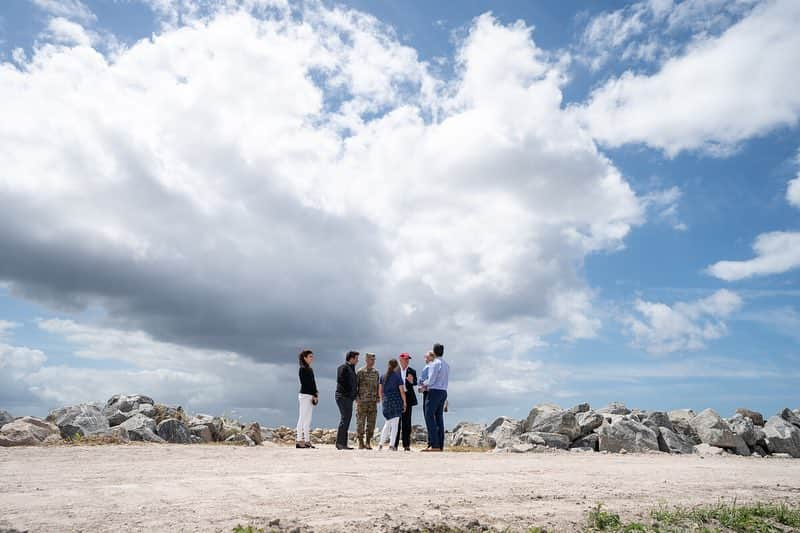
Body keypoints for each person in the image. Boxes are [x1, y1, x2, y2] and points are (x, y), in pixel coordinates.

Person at [421, 343, 449, 452]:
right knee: (439, 417)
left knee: (429, 416)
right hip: (443, 391)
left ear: (434, 351)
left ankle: (434, 444)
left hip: (434, 391)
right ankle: (440, 445)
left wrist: (424, 385)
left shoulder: (434, 363)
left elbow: (431, 379)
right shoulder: (446, 364)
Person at [377, 358, 406, 450]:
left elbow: (380, 391)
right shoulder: (397, 377)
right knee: (395, 425)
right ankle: (391, 445)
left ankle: (381, 444)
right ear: (396, 366)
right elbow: (402, 391)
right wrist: (404, 402)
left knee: (387, 423)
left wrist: (382, 400)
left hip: (386, 401)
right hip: (396, 401)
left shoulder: (382, 376)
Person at [335, 350, 359, 450]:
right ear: (351, 358)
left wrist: (355, 395)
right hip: (343, 397)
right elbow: (341, 381)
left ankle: (343, 443)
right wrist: (349, 393)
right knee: (345, 418)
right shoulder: (343, 367)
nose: (357, 361)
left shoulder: (352, 369)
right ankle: (340, 443)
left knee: (347, 418)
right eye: (356, 359)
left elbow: (354, 384)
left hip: (349, 398)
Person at [355, 352, 380, 449]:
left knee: (371, 422)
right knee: (360, 422)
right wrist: (356, 397)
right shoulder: (360, 372)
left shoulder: (376, 372)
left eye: (374, 360)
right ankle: (360, 441)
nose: (373, 361)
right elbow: (356, 385)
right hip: (362, 401)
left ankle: (368, 441)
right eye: (371, 359)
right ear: (366, 360)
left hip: (372, 401)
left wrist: (378, 397)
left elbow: (378, 386)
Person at [393, 352, 417, 451]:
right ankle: (394, 444)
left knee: (407, 422)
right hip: (398, 397)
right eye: (405, 359)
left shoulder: (412, 371)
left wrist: (412, 381)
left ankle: (406, 445)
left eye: (408, 359)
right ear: (400, 360)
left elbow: (415, 382)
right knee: (396, 422)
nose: (407, 361)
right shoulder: (395, 371)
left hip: (408, 397)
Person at [296, 349, 318, 449]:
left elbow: (313, 382)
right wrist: (313, 393)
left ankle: (307, 441)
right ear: (304, 358)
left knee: (308, 419)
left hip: (310, 395)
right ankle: (299, 440)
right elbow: (305, 383)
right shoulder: (302, 369)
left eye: (312, 357)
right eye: (310, 357)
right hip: (304, 395)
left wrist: (316, 393)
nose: (312, 358)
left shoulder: (310, 369)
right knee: (302, 417)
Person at [417, 351, 435, 449]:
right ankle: (432, 442)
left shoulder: (429, 367)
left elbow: (427, 381)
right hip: (428, 392)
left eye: (427, 357)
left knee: (429, 417)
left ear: (431, 357)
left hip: (428, 392)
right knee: (430, 418)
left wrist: (422, 387)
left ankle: (431, 442)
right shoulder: (431, 367)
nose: (425, 359)